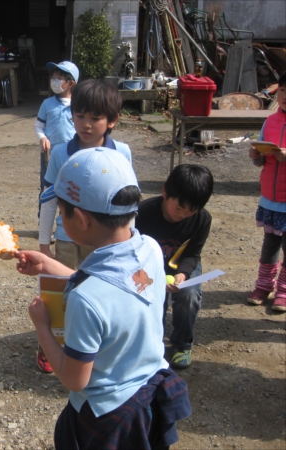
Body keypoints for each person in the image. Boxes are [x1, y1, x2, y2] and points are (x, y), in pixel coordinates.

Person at [16, 148, 191, 449]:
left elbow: (75, 380)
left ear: (81, 219)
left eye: (61, 211)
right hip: (148, 395)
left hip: (107, 416)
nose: (60, 217)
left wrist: (42, 327)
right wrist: (54, 269)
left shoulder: (86, 299)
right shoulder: (149, 248)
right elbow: (117, 289)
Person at [36, 78, 131, 373]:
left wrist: (128, 239)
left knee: (97, 292)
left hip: (104, 242)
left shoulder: (122, 152)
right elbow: (49, 200)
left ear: (113, 120)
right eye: (80, 116)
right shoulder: (61, 153)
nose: (86, 125)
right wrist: (43, 242)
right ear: (71, 114)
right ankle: (51, 346)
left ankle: (93, 350)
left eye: (95, 118)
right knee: (61, 292)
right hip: (66, 238)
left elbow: (128, 201)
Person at [135, 164, 214, 369]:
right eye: (178, 208)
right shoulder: (143, 213)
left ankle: (182, 344)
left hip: (180, 267)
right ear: (165, 192)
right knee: (151, 301)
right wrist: (153, 277)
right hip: (148, 268)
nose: (182, 215)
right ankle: (154, 344)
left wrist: (183, 274)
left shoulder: (202, 219)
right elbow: (134, 252)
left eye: (191, 211)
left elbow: (193, 253)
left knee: (189, 295)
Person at [246, 71, 286, 311]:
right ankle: (263, 286)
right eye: (282, 90)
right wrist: (256, 156)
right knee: (269, 246)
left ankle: (283, 291)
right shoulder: (270, 121)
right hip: (270, 200)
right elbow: (261, 158)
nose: (285, 96)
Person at [34, 61, 79, 215]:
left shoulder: (78, 105)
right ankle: (44, 224)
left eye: (58, 78)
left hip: (72, 155)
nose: (54, 81)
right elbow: (38, 126)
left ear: (70, 83)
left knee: (70, 188)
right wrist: (42, 138)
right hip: (49, 153)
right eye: (53, 78)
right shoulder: (47, 103)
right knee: (47, 187)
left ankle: (65, 224)